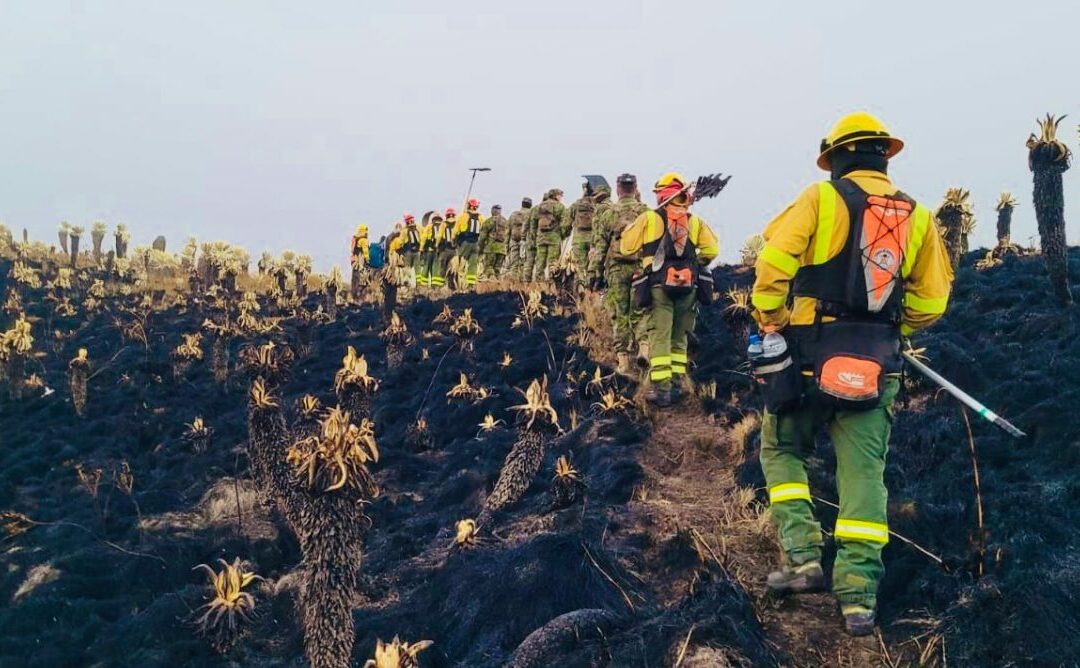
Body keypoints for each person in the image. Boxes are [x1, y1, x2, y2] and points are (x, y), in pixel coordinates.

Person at [751, 112, 953, 636]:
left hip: (809, 355)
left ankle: (803, 558)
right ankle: (858, 598)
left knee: (782, 449)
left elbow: (773, 259)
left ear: (836, 157)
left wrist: (771, 319)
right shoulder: (920, 216)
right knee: (864, 475)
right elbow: (932, 300)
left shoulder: (820, 200)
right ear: (884, 156)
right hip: (877, 360)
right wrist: (891, 327)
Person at [619, 172, 719, 407]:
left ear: (662, 194)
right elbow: (712, 251)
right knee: (679, 337)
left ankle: (662, 390)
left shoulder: (649, 218)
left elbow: (626, 247)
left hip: (658, 286)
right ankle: (676, 385)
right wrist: (695, 264)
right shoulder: (694, 221)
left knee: (660, 336)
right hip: (688, 287)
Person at [589, 174, 648, 376]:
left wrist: (594, 273)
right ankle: (644, 348)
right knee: (640, 311)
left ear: (617, 189)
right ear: (635, 187)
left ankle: (623, 362)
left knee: (620, 315)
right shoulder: (646, 213)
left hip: (616, 269)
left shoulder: (609, 213)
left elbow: (600, 246)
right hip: (641, 268)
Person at [529, 188, 568, 281]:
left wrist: (534, 236)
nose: (561, 197)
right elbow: (565, 223)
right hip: (554, 237)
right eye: (560, 195)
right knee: (553, 261)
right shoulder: (560, 206)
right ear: (555, 196)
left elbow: (533, 223)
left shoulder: (538, 207)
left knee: (540, 261)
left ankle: (539, 281)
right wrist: (563, 235)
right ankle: (551, 282)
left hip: (541, 237)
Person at [567, 182, 599, 286]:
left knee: (579, 266)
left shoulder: (576, 204)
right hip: (593, 240)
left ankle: (579, 286)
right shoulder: (597, 205)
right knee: (592, 266)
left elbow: (566, 222)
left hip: (578, 239)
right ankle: (590, 288)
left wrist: (566, 232)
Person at [454, 198, 485, 288]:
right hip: (476, 244)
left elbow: (455, 232)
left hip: (465, 243)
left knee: (461, 264)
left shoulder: (462, 216)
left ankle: (460, 285)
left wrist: (454, 242)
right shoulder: (481, 218)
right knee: (473, 264)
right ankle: (471, 285)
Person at [477, 204, 509, 280]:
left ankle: (491, 283)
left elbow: (482, 237)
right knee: (497, 269)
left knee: (489, 267)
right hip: (502, 249)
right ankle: (498, 285)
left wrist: (480, 249)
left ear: (492, 211)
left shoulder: (488, 221)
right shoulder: (506, 221)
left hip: (491, 248)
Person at [390, 213, 423, 286]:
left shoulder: (404, 231)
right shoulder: (419, 228)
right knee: (418, 269)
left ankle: (407, 283)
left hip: (408, 252)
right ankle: (419, 284)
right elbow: (422, 238)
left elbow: (400, 242)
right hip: (417, 252)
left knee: (407, 268)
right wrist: (421, 249)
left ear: (406, 222)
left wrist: (395, 249)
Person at [430, 208, 456, 289]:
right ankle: (452, 285)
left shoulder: (443, 225)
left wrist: (436, 246)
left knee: (442, 267)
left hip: (445, 250)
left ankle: (440, 286)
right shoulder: (457, 223)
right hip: (455, 250)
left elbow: (439, 236)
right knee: (454, 268)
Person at [507, 197, 532, 280]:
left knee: (513, 263)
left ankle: (512, 282)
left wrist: (506, 245)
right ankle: (521, 282)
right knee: (525, 262)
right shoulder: (531, 214)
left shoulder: (514, 214)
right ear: (530, 205)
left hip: (513, 240)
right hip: (526, 241)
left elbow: (508, 231)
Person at [418, 212, 437, 287]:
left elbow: (423, 239)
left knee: (428, 268)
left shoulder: (429, 228)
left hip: (430, 251)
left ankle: (426, 284)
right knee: (432, 268)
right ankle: (431, 284)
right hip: (434, 252)